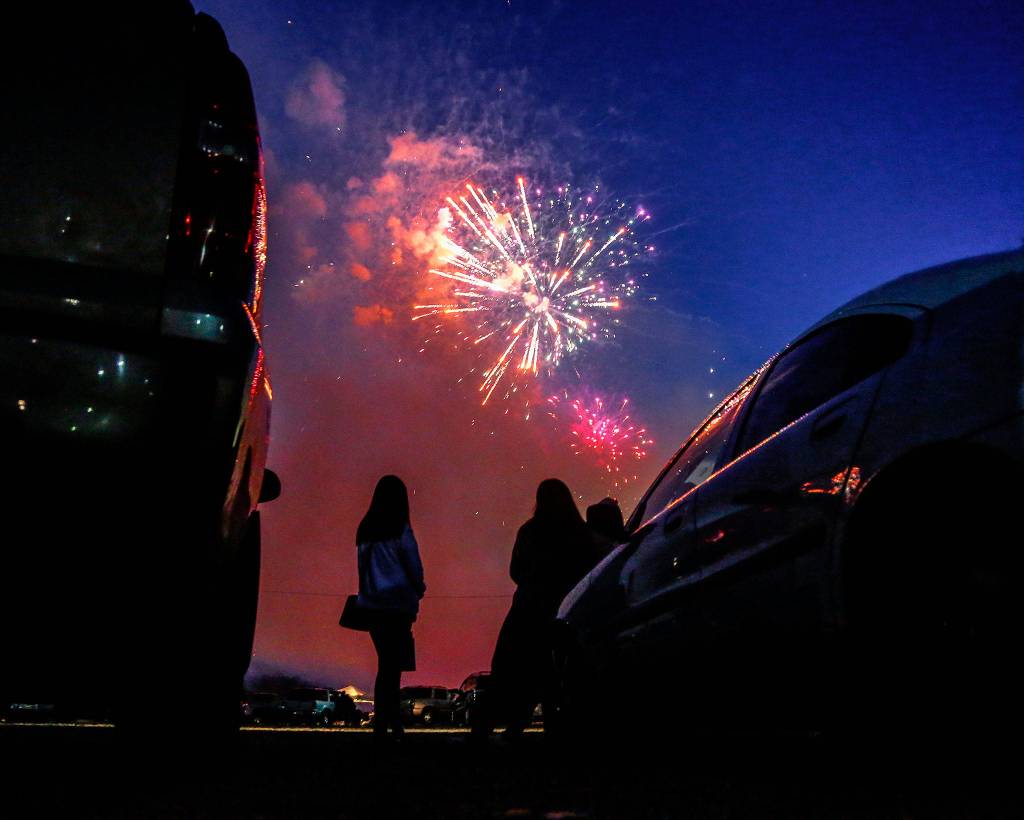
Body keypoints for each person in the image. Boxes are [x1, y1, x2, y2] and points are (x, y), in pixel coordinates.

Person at [479, 478, 596, 740]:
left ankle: (485, 730)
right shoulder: (580, 533)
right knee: (552, 676)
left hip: (527, 610)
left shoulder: (529, 531)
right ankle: (555, 732)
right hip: (563, 611)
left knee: (505, 671)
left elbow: (515, 571)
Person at [356, 475, 425, 739]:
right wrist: (419, 588)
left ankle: (384, 723)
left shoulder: (365, 530)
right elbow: (413, 565)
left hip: (373, 606)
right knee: (392, 668)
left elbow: (362, 569)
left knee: (385, 665)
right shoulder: (401, 529)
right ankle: (390, 723)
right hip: (397, 606)